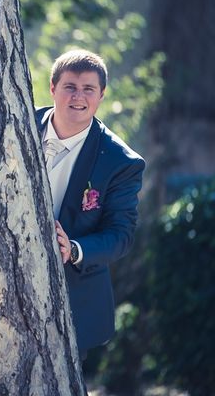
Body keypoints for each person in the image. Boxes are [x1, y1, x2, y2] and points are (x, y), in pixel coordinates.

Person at [37, 49, 145, 360]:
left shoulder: (120, 162)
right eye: (70, 86)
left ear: (101, 96)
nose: (78, 96)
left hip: (72, 299)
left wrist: (73, 249)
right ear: (53, 88)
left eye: (89, 89)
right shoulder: (13, 123)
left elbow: (120, 235)